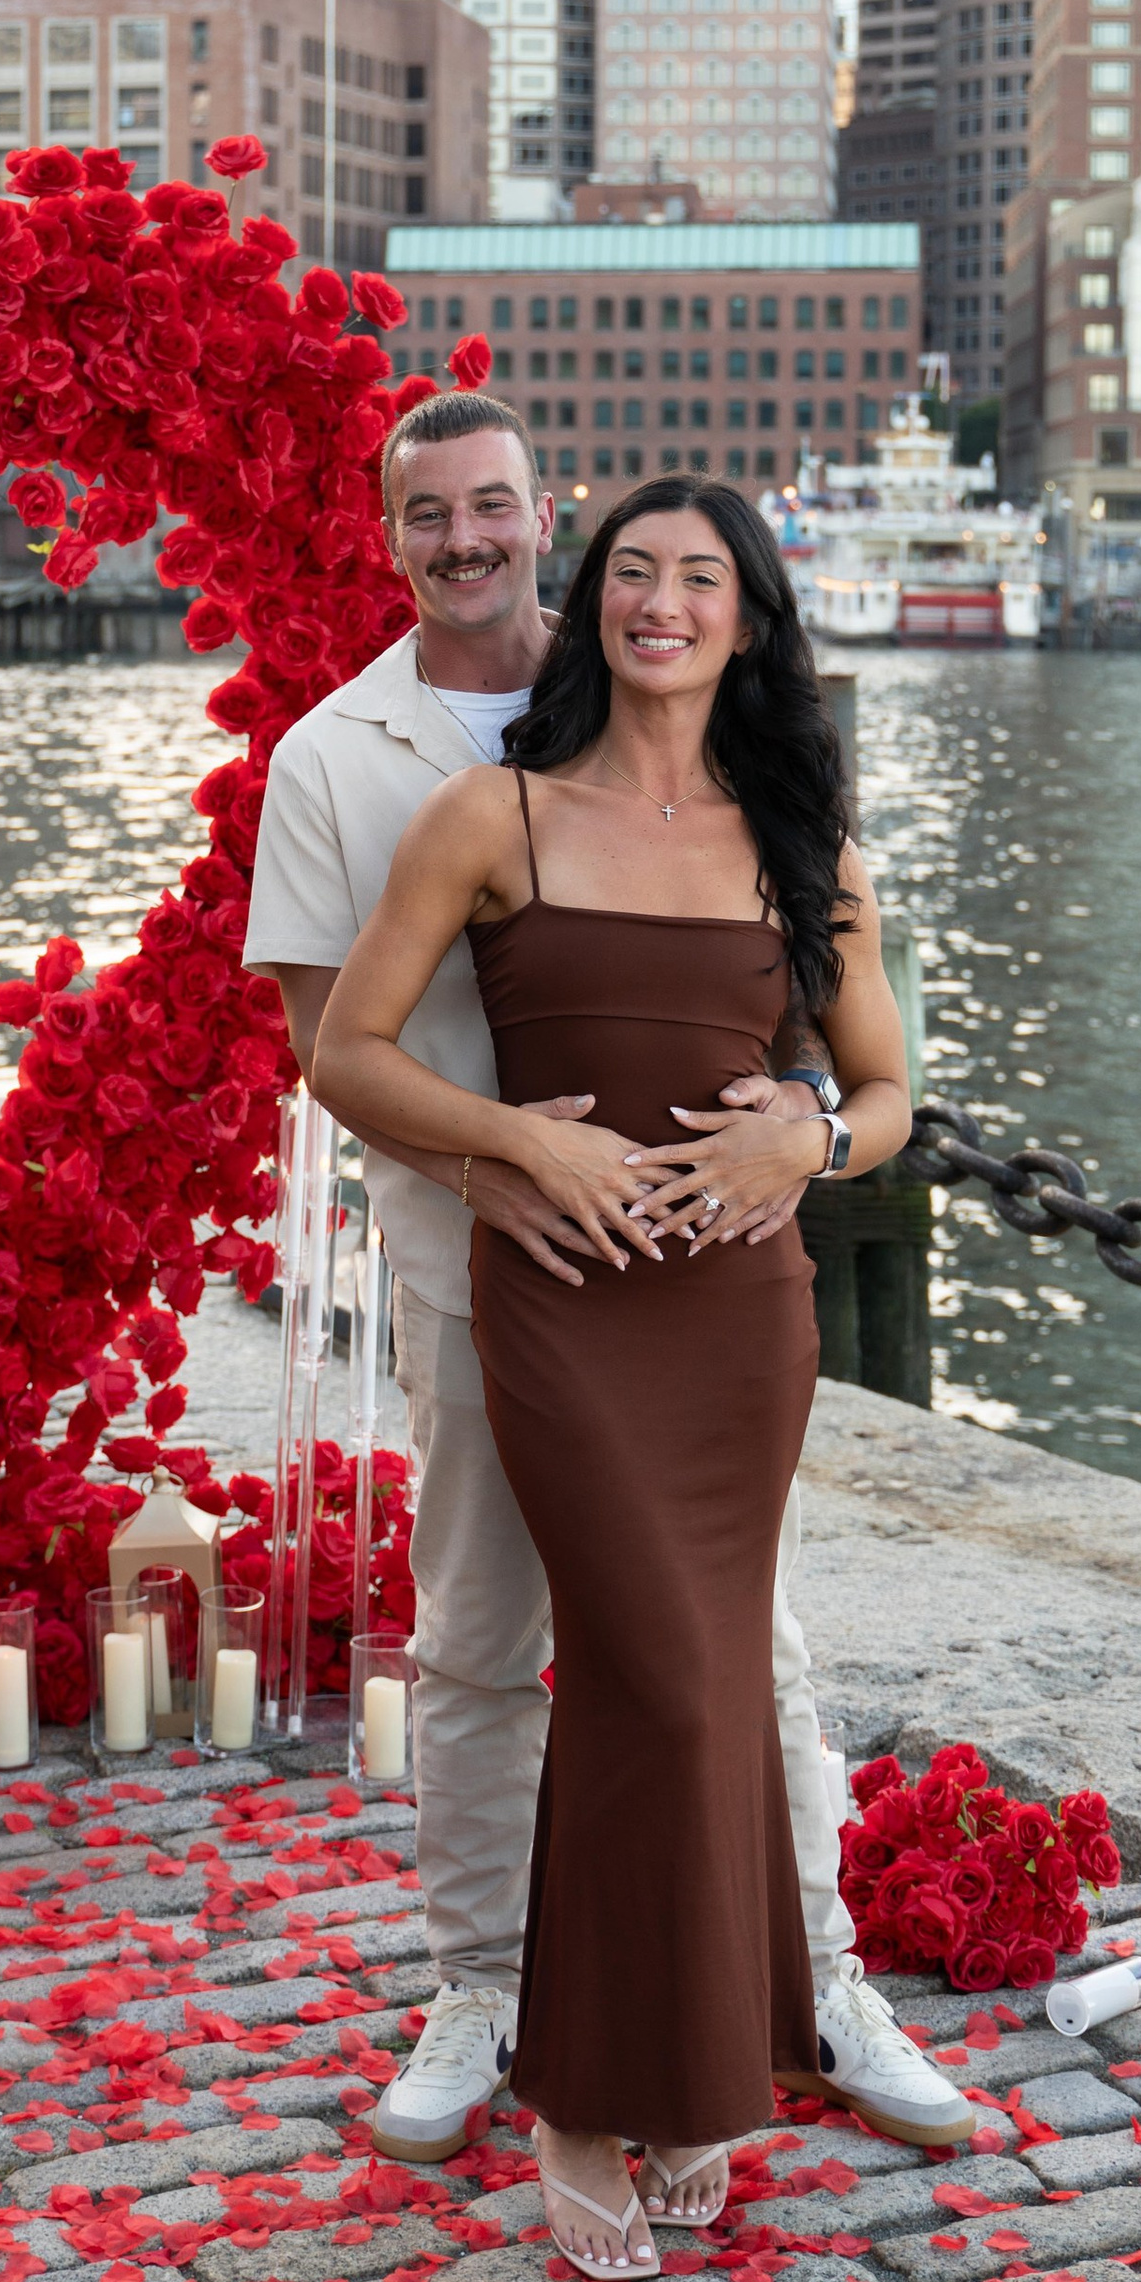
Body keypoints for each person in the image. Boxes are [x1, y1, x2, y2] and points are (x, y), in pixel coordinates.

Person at [244, 394, 971, 2181]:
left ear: (538, 515)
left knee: (740, 1657)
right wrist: (513, 1162)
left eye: (496, 506)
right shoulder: (358, 764)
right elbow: (330, 1042)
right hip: (501, 1270)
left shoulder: (731, 759)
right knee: (489, 1640)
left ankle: (807, 1985)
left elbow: (867, 1069)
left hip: (720, 1303)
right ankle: (490, 1993)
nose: (468, 539)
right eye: (431, 513)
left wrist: (812, 1130)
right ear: (392, 532)